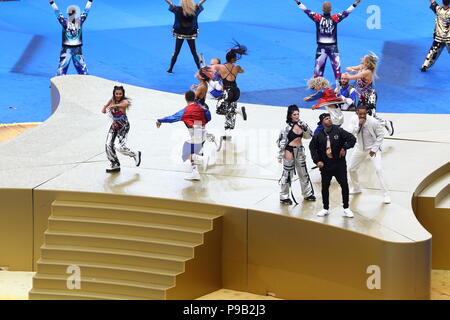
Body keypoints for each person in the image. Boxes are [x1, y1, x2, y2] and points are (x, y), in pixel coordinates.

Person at [293, 0, 361, 87]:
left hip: (321, 48)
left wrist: (298, 2)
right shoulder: (335, 18)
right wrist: (355, 3)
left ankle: (317, 86)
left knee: (318, 68)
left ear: (322, 9)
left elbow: (306, 10)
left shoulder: (317, 17)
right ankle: (339, 86)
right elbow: (347, 12)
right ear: (331, 9)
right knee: (336, 68)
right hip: (333, 47)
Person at [309, 113, 356, 217]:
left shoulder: (339, 131)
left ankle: (346, 207)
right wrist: (317, 161)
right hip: (326, 166)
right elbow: (312, 148)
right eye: (326, 119)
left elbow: (352, 139)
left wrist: (345, 147)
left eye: (329, 118)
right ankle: (325, 208)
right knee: (325, 187)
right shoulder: (318, 135)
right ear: (322, 122)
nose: (329, 120)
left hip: (339, 164)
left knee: (344, 184)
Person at [156, 90, 211, 181]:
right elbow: (208, 116)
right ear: (194, 97)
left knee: (186, 153)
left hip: (196, 133)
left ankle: (203, 159)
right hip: (203, 131)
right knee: (194, 152)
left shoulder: (185, 111)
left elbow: (172, 118)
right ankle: (195, 173)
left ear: (185, 98)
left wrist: (160, 120)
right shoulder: (201, 108)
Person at [342, 54, 394, 136]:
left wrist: (347, 75)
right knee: (359, 114)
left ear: (367, 62)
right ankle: (361, 130)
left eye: (363, 58)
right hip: (361, 97)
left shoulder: (368, 72)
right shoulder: (362, 67)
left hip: (370, 96)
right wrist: (351, 70)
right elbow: (348, 68)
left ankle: (385, 123)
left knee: (370, 117)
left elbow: (352, 77)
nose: (361, 58)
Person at [347, 105, 391, 204]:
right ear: (356, 112)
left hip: (373, 149)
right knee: (351, 169)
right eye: (360, 114)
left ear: (367, 112)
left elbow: (380, 135)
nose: (362, 115)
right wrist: (358, 124)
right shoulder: (353, 119)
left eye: (364, 113)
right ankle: (356, 188)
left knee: (379, 169)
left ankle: (386, 194)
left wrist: (374, 149)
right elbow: (350, 133)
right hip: (360, 148)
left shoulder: (374, 122)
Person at [277, 105, 316, 205]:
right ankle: (284, 196)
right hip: (289, 151)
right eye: (294, 114)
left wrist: (305, 127)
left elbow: (310, 136)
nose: (297, 116)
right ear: (290, 115)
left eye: (298, 114)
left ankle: (307, 194)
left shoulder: (302, 124)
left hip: (300, 150)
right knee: (287, 174)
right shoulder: (286, 128)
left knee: (303, 173)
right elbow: (281, 142)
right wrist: (280, 155)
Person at [212, 42, 248, 138]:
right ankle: (228, 133)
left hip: (227, 92)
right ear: (232, 59)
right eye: (235, 57)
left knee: (220, 110)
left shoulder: (221, 67)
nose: (236, 58)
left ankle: (238, 110)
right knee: (230, 114)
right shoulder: (237, 67)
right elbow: (242, 71)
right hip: (236, 91)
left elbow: (212, 68)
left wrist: (218, 73)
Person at [102, 86, 142, 173]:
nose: (118, 95)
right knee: (108, 144)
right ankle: (115, 164)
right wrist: (105, 107)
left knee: (119, 147)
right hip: (114, 125)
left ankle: (135, 154)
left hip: (123, 126)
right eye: (117, 93)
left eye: (120, 94)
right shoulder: (112, 99)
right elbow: (104, 110)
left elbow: (125, 104)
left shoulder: (124, 101)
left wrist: (113, 105)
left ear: (123, 94)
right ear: (114, 93)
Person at [49, 0, 93, 76]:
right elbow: (86, 10)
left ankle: (59, 81)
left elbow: (57, 11)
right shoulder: (80, 21)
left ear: (68, 14)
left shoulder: (64, 21)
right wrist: (90, 1)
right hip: (77, 49)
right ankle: (86, 79)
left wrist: (52, 2)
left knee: (62, 67)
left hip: (66, 49)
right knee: (82, 68)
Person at [165, 0, 207, 73]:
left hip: (179, 33)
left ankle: (170, 69)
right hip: (190, 34)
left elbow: (170, 3)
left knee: (176, 52)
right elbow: (201, 2)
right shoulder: (195, 9)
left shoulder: (177, 9)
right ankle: (200, 70)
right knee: (194, 52)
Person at [421, 0, 450, 72]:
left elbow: (432, 1)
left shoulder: (438, 9)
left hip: (439, 37)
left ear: (442, 2)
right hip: (449, 38)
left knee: (432, 52)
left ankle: (425, 66)